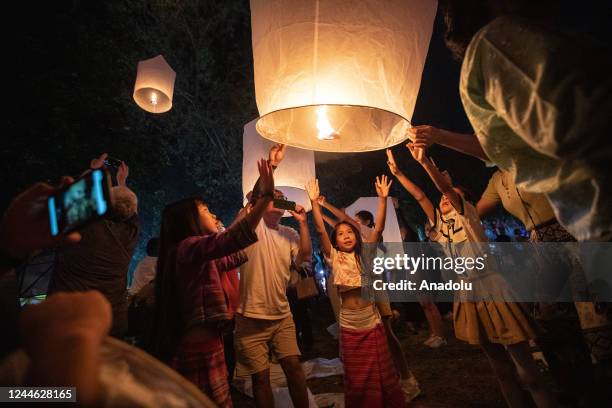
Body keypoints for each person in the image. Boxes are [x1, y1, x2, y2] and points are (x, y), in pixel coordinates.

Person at [416, 1, 612, 242]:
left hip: (586, 221)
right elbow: (578, 118)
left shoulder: (487, 56)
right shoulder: (497, 42)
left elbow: (492, 151)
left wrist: (436, 139)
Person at [394, 143, 555, 408]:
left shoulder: (467, 216)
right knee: (500, 369)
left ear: (464, 201)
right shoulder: (440, 226)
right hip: (466, 292)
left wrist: (426, 164)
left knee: (526, 370)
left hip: (491, 287)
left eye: (451, 197)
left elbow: (443, 188)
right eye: (443, 199)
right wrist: (398, 173)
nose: (444, 199)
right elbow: (422, 197)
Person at [151, 159, 275, 408]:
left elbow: (236, 249)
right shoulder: (186, 248)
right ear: (189, 220)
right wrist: (265, 197)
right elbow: (234, 239)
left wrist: (264, 184)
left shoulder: (202, 254)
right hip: (194, 350)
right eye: (206, 210)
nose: (214, 214)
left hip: (211, 345)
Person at [307, 176, 407, 408]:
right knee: (358, 373)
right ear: (336, 241)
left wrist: (382, 200)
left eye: (349, 232)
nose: (346, 235)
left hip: (371, 320)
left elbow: (379, 227)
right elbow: (321, 231)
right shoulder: (335, 258)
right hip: (350, 324)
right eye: (341, 234)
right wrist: (314, 203)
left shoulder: (366, 255)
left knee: (381, 368)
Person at [234, 144, 311, 408]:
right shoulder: (249, 226)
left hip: (282, 315)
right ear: (260, 203)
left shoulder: (288, 233)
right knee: (261, 379)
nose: (277, 201)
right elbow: (257, 197)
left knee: (294, 368)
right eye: (272, 198)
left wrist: (303, 224)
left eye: (281, 199)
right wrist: (272, 166)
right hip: (249, 316)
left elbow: (304, 258)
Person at [48, 153, 139, 337]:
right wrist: (122, 183)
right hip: (110, 323)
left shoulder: (85, 226)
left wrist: (94, 171)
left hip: (68, 317)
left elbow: (74, 200)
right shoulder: (131, 234)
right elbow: (131, 209)